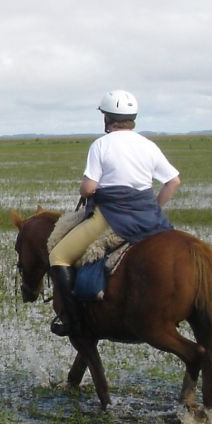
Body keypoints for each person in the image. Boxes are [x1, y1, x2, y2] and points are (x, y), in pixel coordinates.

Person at [47, 90, 181, 337]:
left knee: (58, 256)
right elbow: (173, 181)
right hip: (149, 216)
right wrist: (154, 207)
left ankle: (73, 321)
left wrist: (85, 187)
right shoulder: (148, 145)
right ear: (132, 118)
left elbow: (88, 188)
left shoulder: (101, 145)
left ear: (107, 118)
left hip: (110, 216)